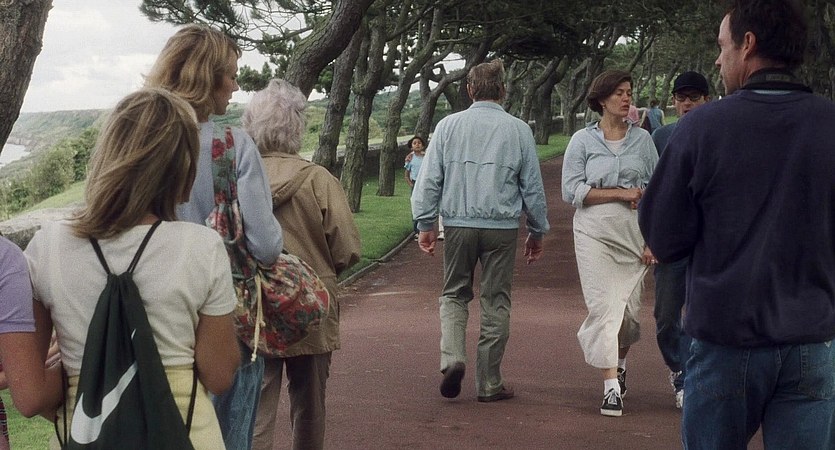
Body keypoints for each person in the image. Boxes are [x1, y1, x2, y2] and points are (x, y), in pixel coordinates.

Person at [639, 1, 835, 448]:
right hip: (812, 339)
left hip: (725, 337)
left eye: (722, 45)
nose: (717, 59)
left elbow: (664, 238)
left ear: (748, 45)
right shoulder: (829, 124)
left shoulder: (700, 128)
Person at [23, 88, 241, 448]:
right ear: (182, 166)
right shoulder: (201, 246)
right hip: (186, 435)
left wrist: (85, 369)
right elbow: (219, 375)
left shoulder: (47, 246)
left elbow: (32, 392)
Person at [144, 24, 284, 450]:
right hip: (225, 317)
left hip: (153, 313)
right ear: (208, 77)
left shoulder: (142, 141)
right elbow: (266, 245)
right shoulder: (233, 143)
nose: (236, 86)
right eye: (232, 75)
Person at [411, 59, 550, 404]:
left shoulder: (447, 126)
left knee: (454, 294)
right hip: (501, 228)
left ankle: (453, 358)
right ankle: (489, 382)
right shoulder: (519, 130)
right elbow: (532, 187)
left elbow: (429, 180)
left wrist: (425, 224)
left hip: (458, 224)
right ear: (503, 90)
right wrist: (536, 230)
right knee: (496, 301)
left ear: (470, 89)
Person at [243, 79, 361, 450]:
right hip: (311, 303)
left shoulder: (241, 180)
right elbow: (346, 249)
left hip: (256, 306)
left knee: (255, 407)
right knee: (310, 406)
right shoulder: (319, 180)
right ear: (297, 127)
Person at [561, 69, 658, 417]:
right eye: (618, 92)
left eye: (629, 92)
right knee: (604, 308)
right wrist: (620, 192)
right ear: (602, 99)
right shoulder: (581, 141)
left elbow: (657, 191)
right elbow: (572, 190)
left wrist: (654, 239)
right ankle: (610, 387)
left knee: (628, 315)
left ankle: (620, 363)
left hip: (633, 235)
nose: (626, 98)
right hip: (594, 233)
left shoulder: (643, 141)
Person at [648, 70, 710, 410]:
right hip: (672, 241)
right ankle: (678, 366)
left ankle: (692, 378)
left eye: (694, 98)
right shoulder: (660, 137)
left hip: (710, 241)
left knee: (708, 312)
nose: (687, 104)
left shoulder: (720, 133)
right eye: (681, 98)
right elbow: (651, 190)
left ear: (706, 99)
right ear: (673, 102)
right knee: (666, 317)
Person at [405, 136, 427, 239]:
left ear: (423, 145)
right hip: (415, 183)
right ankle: (417, 230)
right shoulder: (410, 159)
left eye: (419, 143)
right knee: (415, 206)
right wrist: (410, 184)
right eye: (414, 143)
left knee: (425, 206)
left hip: (425, 183)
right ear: (411, 147)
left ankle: (425, 229)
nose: (417, 145)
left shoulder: (426, 157)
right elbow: (407, 174)